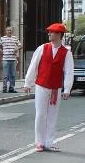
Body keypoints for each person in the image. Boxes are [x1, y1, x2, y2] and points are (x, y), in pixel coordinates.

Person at [25, 23, 75, 153]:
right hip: (41, 85)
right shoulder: (42, 48)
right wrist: (28, 83)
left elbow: (69, 72)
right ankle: (39, 142)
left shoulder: (66, 53)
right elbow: (33, 65)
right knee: (40, 114)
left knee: (52, 116)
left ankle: (49, 142)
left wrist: (67, 89)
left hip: (55, 88)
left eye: (52, 32)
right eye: (49, 32)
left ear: (59, 35)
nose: (49, 34)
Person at [0, 26, 22, 93]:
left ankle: (11, 88)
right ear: (6, 31)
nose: (9, 31)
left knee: (13, 75)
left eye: (10, 30)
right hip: (5, 59)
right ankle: (4, 88)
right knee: (5, 75)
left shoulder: (15, 38)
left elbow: (21, 45)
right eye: (8, 30)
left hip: (13, 59)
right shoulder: (3, 38)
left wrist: (17, 48)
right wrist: (0, 50)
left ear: (12, 31)